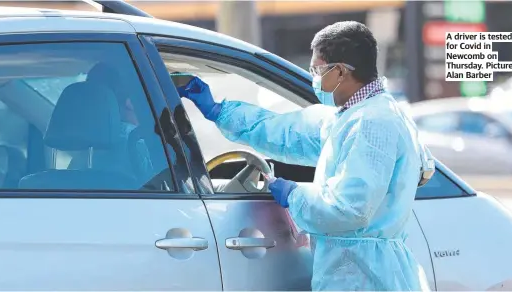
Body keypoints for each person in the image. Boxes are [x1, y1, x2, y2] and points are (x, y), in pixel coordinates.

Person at [178, 21, 432, 291]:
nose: (315, 78)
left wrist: (293, 194)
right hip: (360, 269)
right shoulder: (357, 115)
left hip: (364, 276)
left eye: (317, 70)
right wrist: (219, 111)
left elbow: (350, 209)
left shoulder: (371, 124)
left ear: (341, 71)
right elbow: (286, 133)